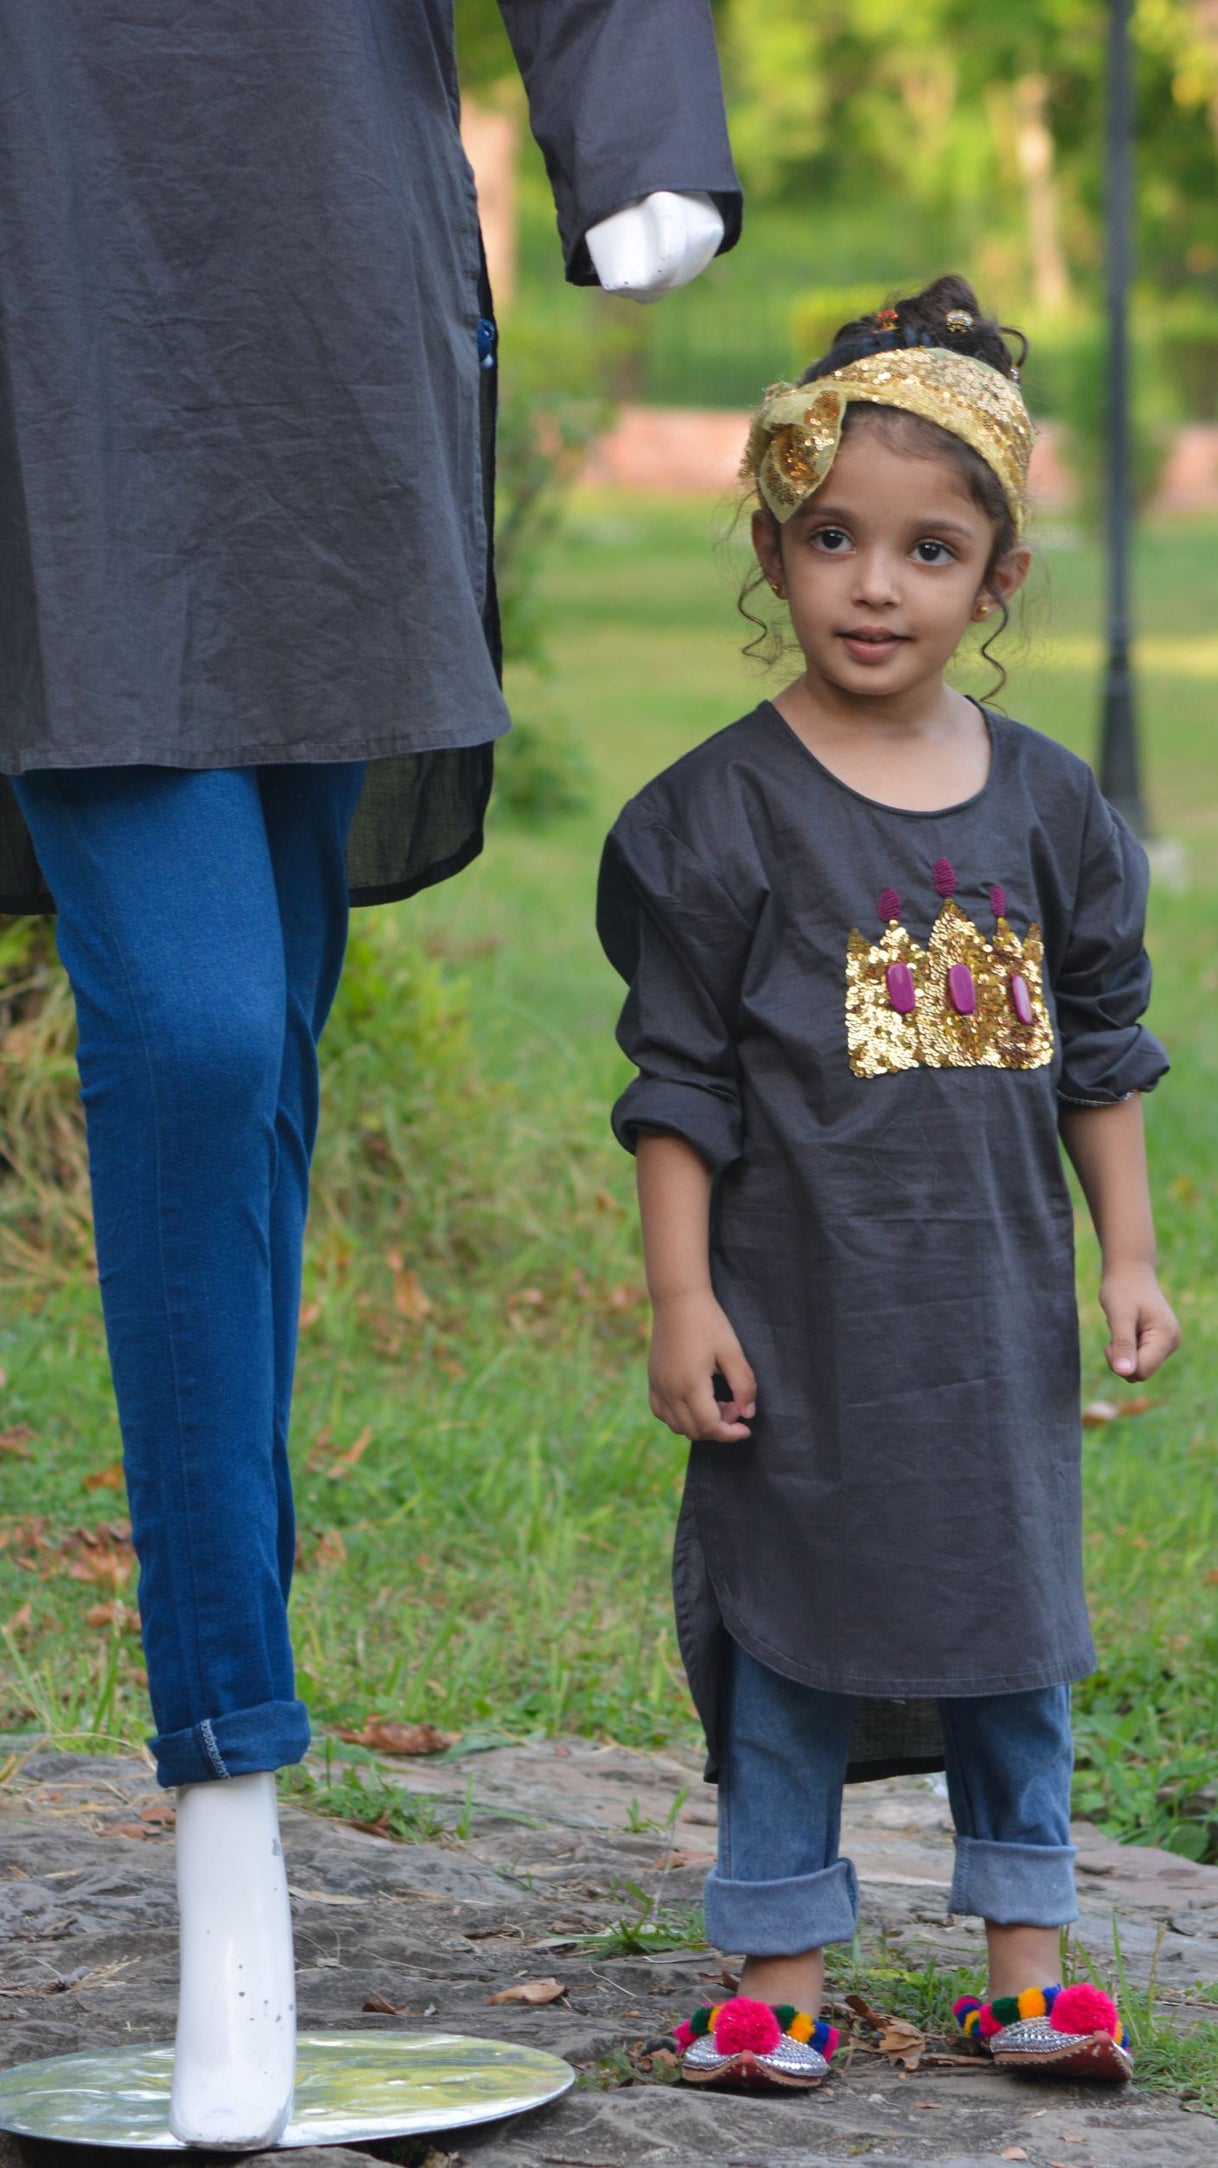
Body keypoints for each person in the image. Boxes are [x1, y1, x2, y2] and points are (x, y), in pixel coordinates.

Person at [0, 0, 739, 2147]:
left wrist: (630, 137)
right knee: (202, 1041)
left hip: (326, 320)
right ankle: (225, 1770)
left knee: (269, 1062)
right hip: (51, 315)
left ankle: (238, 1769)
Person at [598, 277, 1182, 2095]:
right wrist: (682, 1295)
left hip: (989, 1316)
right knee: (793, 1622)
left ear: (994, 582)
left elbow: (1100, 1048)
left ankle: (1031, 1963)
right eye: (835, 539)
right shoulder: (715, 818)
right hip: (800, 1313)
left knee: (1015, 1622)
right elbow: (679, 1085)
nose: (875, 584)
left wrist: (1132, 1256)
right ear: (774, 545)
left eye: (930, 551)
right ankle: (781, 1961)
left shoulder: (1053, 814)